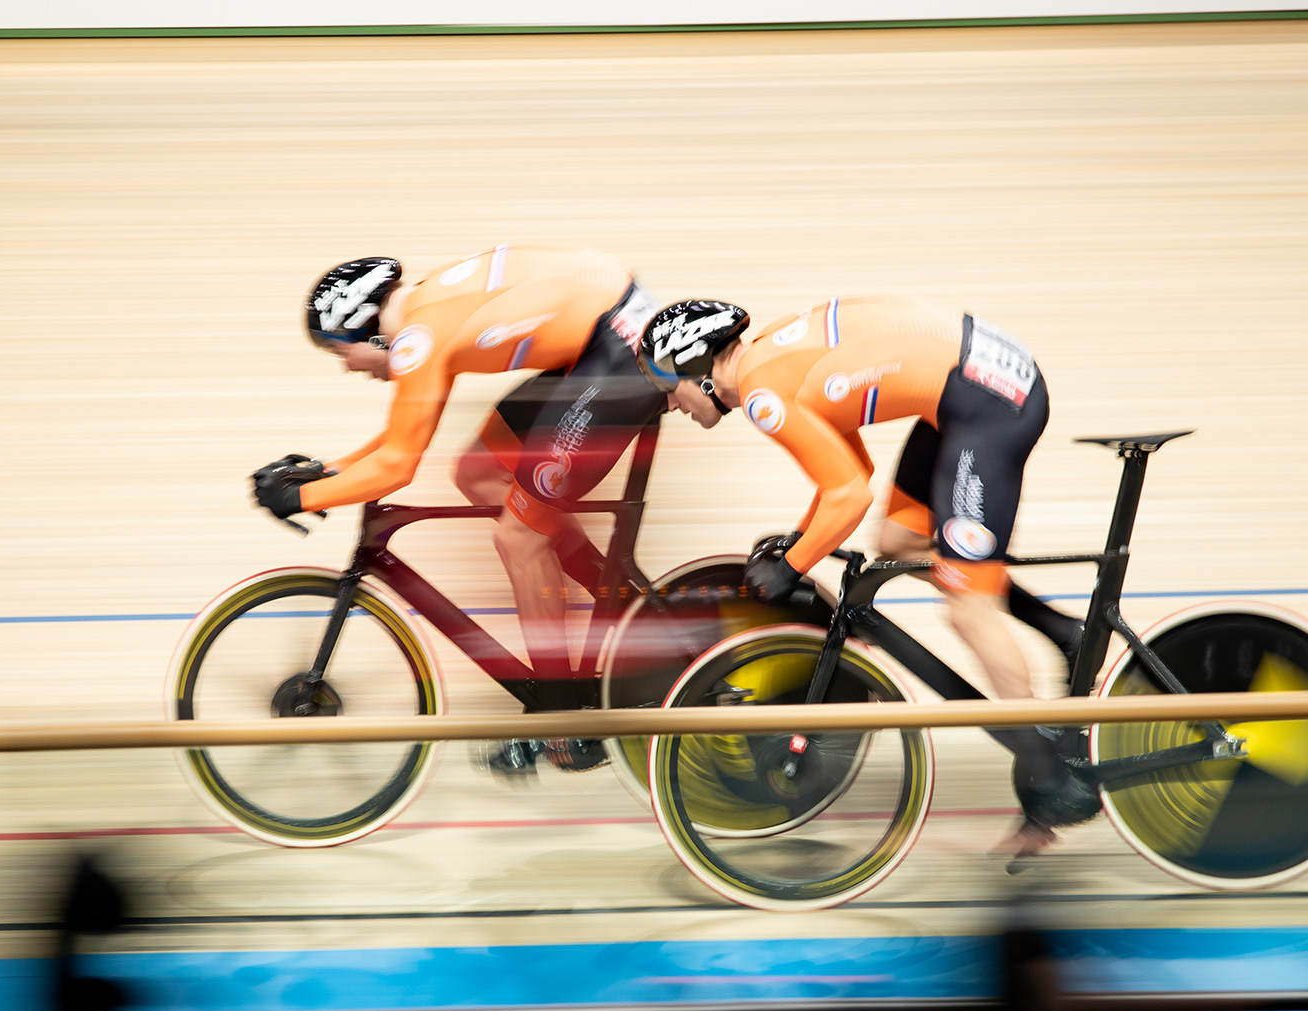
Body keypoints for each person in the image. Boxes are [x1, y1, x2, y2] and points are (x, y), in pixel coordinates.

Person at [637, 296, 1097, 853]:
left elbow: (849, 494)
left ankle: (1049, 778)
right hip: (970, 387)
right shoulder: (763, 364)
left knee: (967, 610)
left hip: (986, 401)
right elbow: (850, 471)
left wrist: (793, 564)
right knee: (898, 544)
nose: (669, 403)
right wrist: (798, 543)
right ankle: (1060, 630)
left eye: (667, 386)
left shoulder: (761, 396)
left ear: (696, 367)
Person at [250, 247, 665, 775]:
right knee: (478, 472)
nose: (350, 368)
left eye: (341, 353)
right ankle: (624, 604)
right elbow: (402, 436)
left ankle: (562, 719)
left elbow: (397, 467)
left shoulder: (417, 340)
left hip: (615, 344)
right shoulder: (423, 319)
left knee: (520, 536)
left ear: (365, 331)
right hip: (606, 334)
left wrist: (302, 498)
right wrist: (326, 470)